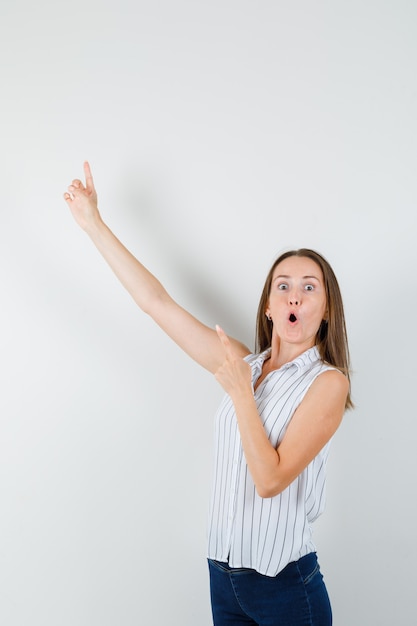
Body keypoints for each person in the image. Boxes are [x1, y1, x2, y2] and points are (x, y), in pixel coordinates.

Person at [64, 162, 352, 626]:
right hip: (222, 580)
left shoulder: (327, 383)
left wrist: (242, 394)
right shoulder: (244, 363)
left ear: (325, 309)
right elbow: (157, 303)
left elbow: (270, 480)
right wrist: (94, 224)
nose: (294, 296)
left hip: (285, 590)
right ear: (269, 307)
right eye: (283, 287)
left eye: (308, 287)